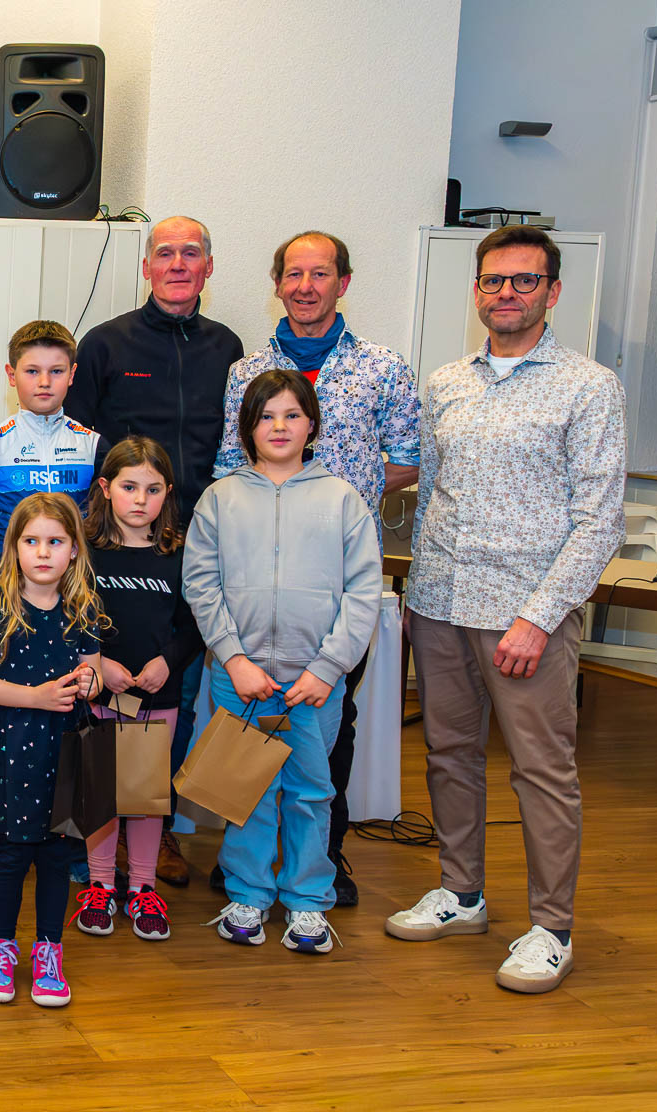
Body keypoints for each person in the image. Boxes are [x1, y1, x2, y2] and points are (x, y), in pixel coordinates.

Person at [386, 225, 624, 994]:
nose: (507, 293)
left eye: (524, 280)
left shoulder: (588, 386)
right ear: (477, 291)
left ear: (553, 292)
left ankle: (551, 929)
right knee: (448, 754)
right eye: (493, 280)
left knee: (541, 772)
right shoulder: (447, 382)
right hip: (442, 603)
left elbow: (600, 521)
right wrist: (418, 593)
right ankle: (462, 894)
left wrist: (539, 617)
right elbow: (432, 496)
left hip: (526, 617)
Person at [212, 230, 419, 906]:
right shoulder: (246, 371)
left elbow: (409, 456)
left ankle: (321, 861)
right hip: (253, 589)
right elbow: (229, 461)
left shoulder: (382, 367)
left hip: (334, 589)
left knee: (330, 723)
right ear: (277, 284)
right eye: (294, 274)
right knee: (246, 727)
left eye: (320, 273)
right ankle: (244, 868)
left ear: (343, 283)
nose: (306, 286)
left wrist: (331, 503)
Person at [64, 215, 242, 882]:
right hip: (118, 547)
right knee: (109, 696)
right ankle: (100, 832)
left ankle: (153, 830)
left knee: (175, 695)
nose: (177, 264)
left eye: (191, 253)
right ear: (146, 267)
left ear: (208, 267)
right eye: (164, 253)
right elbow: (81, 446)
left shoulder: (228, 347)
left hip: (197, 546)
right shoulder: (106, 343)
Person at [184, 370, 380, 954]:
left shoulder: (341, 499)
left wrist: (328, 668)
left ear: (311, 425)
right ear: (247, 427)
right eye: (266, 416)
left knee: (310, 793)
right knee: (243, 791)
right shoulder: (220, 499)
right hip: (241, 677)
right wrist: (233, 658)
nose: (279, 426)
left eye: (292, 415)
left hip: (313, 682)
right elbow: (201, 584)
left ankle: (308, 900)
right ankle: (247, 893)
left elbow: (363, 591)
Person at [0, 319, 102, 898]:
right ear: (10, 376)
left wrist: (70, 606)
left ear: (72, 375)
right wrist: (4, 609)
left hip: (68, 609)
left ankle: (70, 850)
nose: (44, 381)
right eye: (32, 370)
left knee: (69, 733)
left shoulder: (93, 444)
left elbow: (97, 535)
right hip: (9, 613)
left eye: (56, 371)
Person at [0, 493, 103, 1007]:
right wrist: (37, 698)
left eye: (56, 541)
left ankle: (49, 951)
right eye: (32, 541)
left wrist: (88, 683)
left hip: (62, 757)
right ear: (13, 547)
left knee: (57, 856)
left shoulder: (83, 608)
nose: (43, 552)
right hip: (10, 752)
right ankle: (0, 947)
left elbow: (95, 675)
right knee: (11, 856)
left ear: (73, 550)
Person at [74, 436, 200, 943]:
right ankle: (101, 885)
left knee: (146, 797)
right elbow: (69, 616)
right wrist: (98, 662)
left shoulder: (179, 554)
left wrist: (168, 662)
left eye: (152, 489)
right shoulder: (85, 552)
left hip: (157, 698)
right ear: (106, 488)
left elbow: (194, 624)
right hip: (102, 695)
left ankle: (143, 887)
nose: (140, 500)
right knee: (103, 794)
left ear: (167, 492)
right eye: (129, 487)